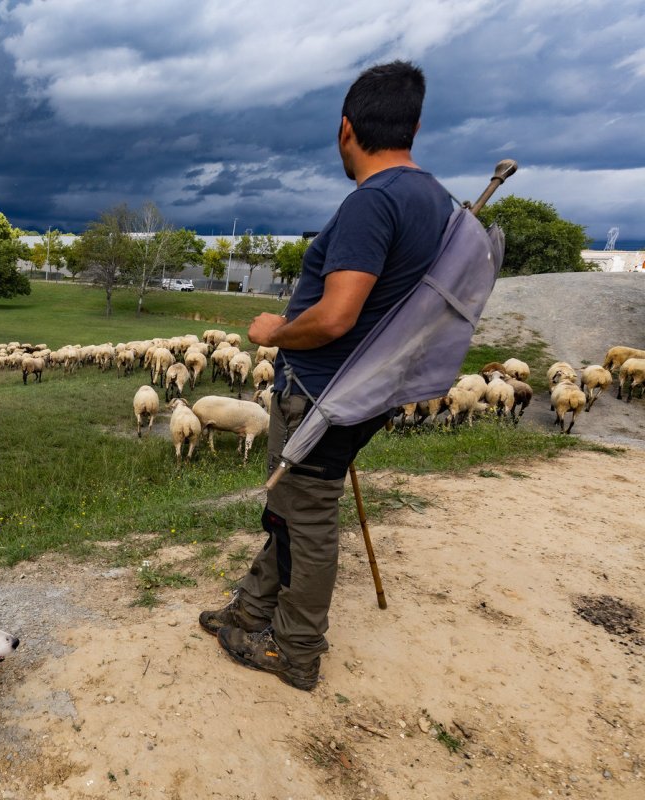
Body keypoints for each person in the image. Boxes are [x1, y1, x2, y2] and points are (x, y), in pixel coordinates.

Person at [198, 61, 453, 691]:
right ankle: (254, 607)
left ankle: (297, 649)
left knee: (306, 519)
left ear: (346, 128)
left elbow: (337, 315)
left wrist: (273, 333)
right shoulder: (436, 200)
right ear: (414, 126)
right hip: (365, 389)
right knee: (293, 509)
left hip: (321, 393)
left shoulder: (374, 201)